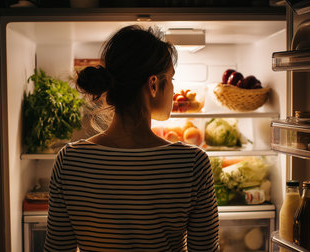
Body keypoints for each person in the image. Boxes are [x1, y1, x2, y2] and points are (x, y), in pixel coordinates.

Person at [44, 25, 219, 252]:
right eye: (172, 78)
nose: (174, 90)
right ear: (153, 84)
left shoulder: (69, 161)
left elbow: (57, 249)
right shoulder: (192, 163)